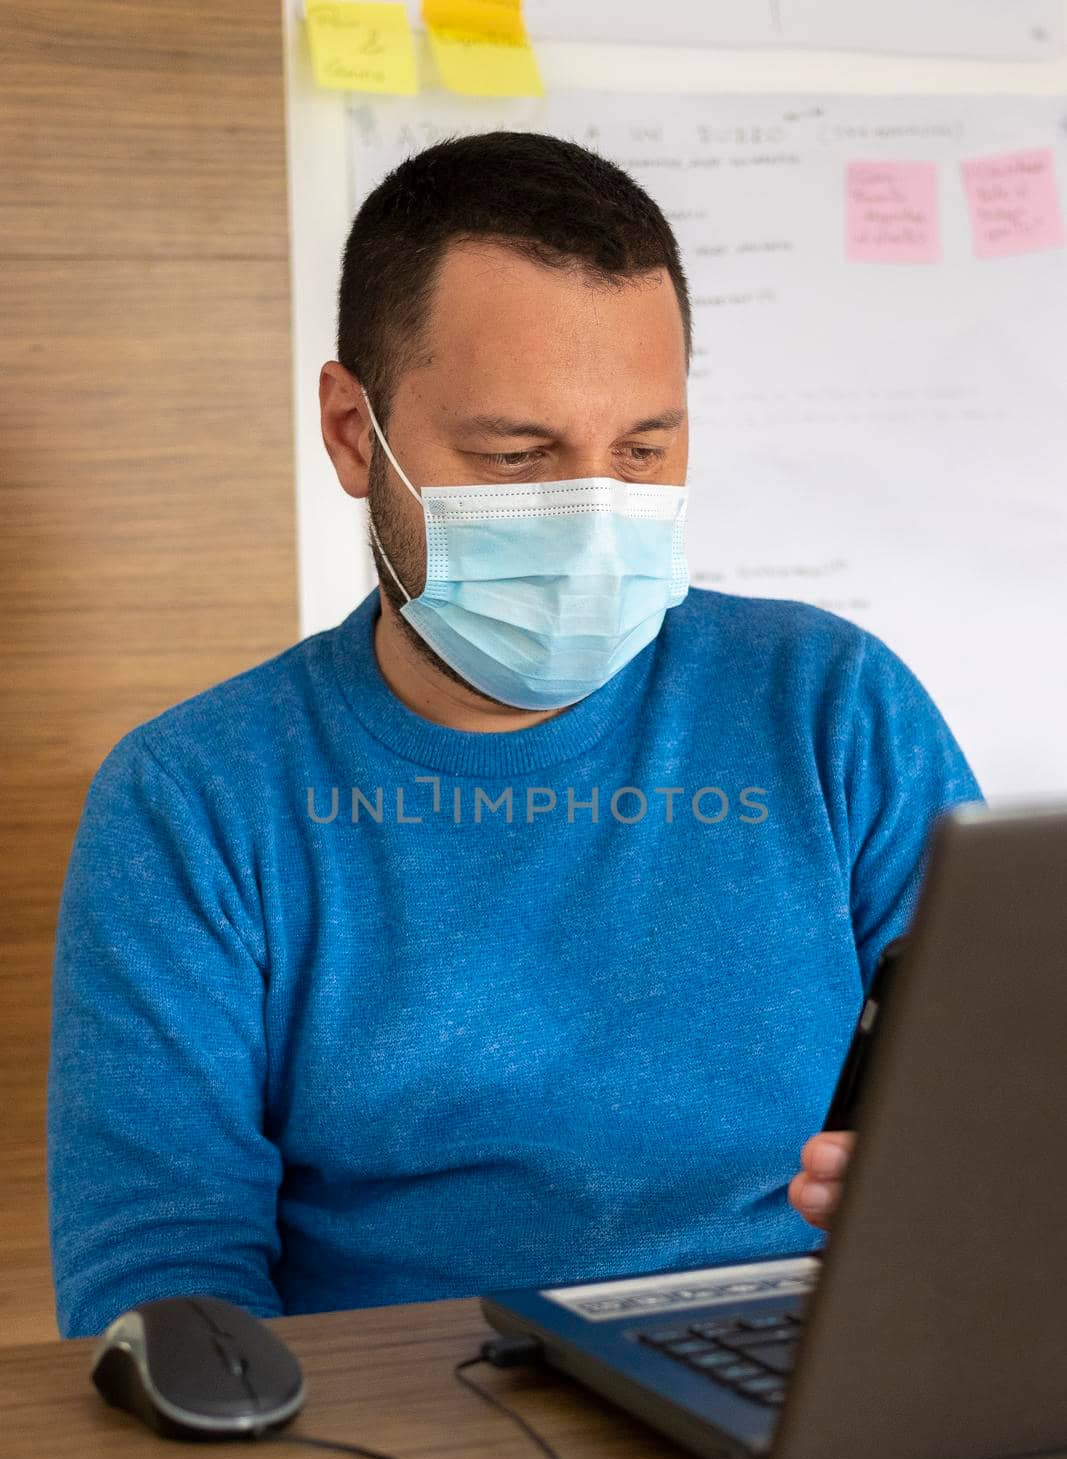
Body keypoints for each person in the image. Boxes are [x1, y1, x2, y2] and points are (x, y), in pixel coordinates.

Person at [47, 132, 982, 1339]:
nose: (594, 519)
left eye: (641, 450)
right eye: (516, 456)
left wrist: (956, 1188)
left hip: (798, 1375)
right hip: (408, 1434)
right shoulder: (194, 801)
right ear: (351, 431)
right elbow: (163, 1282)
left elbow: (1003, 1107)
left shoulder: (829, 705)